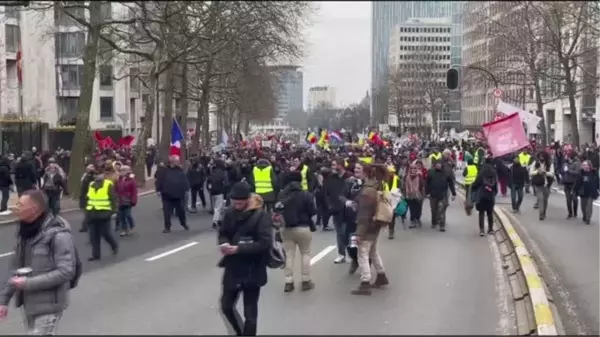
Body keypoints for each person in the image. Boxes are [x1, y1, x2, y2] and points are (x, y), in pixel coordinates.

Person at [0, 190, 77, 335]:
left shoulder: (58, 235)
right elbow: (15, 269)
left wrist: (27, 284)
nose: (16, 207)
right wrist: (3, 300)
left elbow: (66, 271)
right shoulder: (25, 233)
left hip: (49, 307)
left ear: (34, 209)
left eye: (20, 205)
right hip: (30, 304)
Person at [218, 182, 272, 336]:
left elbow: (264, 243)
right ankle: (239, 331)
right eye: (234, 203)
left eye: (240, 203)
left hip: (253, 268)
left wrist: (239, 249)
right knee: (226, 306)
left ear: (248, 199)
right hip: (233, 268)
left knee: (250, 312)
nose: (237, 206)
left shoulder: (261, 216)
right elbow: (223, 233)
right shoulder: (229, 213)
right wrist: (224, 243)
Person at [352, 164, 389, 295]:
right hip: (375, 224)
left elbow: (364, 214)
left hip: (367, 226)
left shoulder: (367, 190)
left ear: (366, 173)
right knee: (373, 252)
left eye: (360, 169)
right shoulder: (377, 186)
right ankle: (381, 275)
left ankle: (365, 283)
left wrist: (359, 234)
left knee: (362, 254)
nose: (357, 171)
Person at [277, 171, 316, 293]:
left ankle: (288, 282)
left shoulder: (282, 194)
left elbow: (277, 209)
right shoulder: (305, 194)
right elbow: (313, 211)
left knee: (289, 255)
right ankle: (305, 280)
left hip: (286, 228)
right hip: (303, 227)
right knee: (305, 253)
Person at [85, 170, 119, 261]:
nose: (97, 176)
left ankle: (114, 245)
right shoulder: (91, 184)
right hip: (92, 213)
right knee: (93, 236)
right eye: (96, 174)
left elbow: (113, 198)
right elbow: (89, 198)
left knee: (106, 234)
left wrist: (114, 211)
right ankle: (96, 255)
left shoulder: (108, 185)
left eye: (98, 174)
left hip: (104, 213)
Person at [156, 155, 190, 233]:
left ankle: (183, 223)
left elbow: (184, 181)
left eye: (177, 161)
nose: (177, 163)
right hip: (166, 195)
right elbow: (159, 181)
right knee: (167, 212)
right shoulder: (164, 171)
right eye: (175, 161)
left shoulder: (180, 170)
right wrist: (158, 190)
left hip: (178, 195)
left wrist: (186, 189)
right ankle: (167, 227)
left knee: (181, 211)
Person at [426, 159, 456, 232]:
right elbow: (427, 183)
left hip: (442, 195)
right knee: (433, 210)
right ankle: (434, 222)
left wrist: (453, 193)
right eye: (437, 164)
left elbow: (451, 183)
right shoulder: (431, 172)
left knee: (441, 209)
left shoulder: (446, 173)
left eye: (439, 164)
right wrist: (426, 193)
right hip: (433, 195)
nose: (438, 165)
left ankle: (442, 225)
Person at [471, 159, 498, 236]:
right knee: (490, 213)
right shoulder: (494, 173)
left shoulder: (481, 172)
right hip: (490, 196)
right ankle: (490, 229)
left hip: (482, 195)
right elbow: (495, 186)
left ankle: (482, 230)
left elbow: (476, 183)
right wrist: (494, 193)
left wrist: (473, 189)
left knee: (481, 213)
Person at [574, 160, 600, 225]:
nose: (584, 166)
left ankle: (588, 218)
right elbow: (577, 183)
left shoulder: (594, 173)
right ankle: (584, 216)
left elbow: (598, 182)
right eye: (583, 165)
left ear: (589, 166)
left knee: (589, 206)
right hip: (583, 192)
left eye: (585, 165)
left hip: (591, 192)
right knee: (583, 206)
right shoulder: (581, 173)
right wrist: (575, 191)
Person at [530, 153, 554, 221]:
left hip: (547, 184)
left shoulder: (549, 164)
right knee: (540, 199)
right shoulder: (535, 163)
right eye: (540, 156)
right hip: (538, 184)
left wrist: (545, 172)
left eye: (543, 156)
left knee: (545, 200)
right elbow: (531, 172)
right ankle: (541, 214)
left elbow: (552, 173)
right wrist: (537, 171)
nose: (541, 158)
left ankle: (544, 212)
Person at [115, 165, 138, 237]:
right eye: (121, 170)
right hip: (120, 200)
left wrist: (134, 201)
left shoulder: (131, 180)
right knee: (121, 216)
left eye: (123, 170)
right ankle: (124, 230)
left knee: (127, 215)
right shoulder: (119, 179)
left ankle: (131, 226)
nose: (121, 172)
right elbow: (116, 189)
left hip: (128, 201)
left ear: (127, 172)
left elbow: (134, 191)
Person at [401, 162, 426, 228]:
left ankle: (417, 219)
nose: (413, 170)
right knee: (412, 208)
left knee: (418, 208)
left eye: (415, 168)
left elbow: (422, 185)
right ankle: (412, 221)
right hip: (409, 195)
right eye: (411, 168)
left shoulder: (419, 176)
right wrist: (403, 193)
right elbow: (403, 185)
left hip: (418, 195)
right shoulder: (406, 176)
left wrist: (423, 194)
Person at [562, 152, 581, 219]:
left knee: (574, 199)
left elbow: (577, 172)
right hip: (566, 184)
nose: (566, 157)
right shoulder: (565, 164)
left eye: (567, 156)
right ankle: (570, 213)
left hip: (574, 184)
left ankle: (575, 212)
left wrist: (569, 171)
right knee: (568, 200)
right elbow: (563, 172)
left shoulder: (576, 163)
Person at [78, 164, 96, 233]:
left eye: (92, 167)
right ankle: (87, 226)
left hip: (91, 196)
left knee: (89, 213)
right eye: (89, 167)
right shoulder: (85, 176)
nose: (91, 168)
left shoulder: (93, 177)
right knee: (88, 213)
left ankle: (85, 226)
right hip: (85, 196)